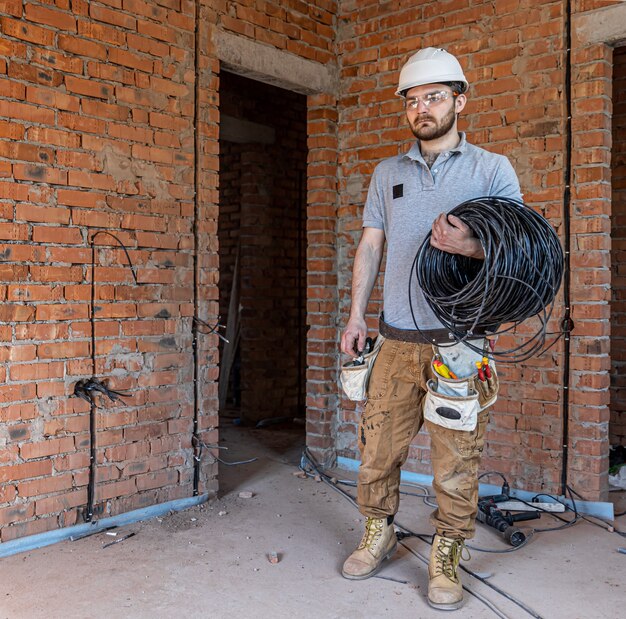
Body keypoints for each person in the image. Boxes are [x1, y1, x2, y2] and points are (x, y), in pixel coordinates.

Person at [340, 47, 522, 611]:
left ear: (459, 101)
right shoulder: (386, 173)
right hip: (394, 341)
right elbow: (371, 245)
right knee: (377, 453)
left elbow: (518, 247)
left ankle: (447, 552)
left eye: (434, 97)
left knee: (456, 461)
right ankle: (378, 532)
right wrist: (355, 315)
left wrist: (467, 244)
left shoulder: (491, 169)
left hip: (460, 344)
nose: (422, 108)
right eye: (413, 100)